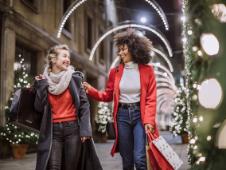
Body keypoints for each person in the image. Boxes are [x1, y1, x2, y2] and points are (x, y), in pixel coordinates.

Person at [83, 29, 159, 170]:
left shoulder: (147, 71)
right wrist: (91, 90)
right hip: (122, 116)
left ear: (134, 49)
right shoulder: (115, 72)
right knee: (127, 159)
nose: (120, 53)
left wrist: (149, 120)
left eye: (123, 49)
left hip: (140, 116)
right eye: (119, 49)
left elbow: (151, 98)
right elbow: (107, 95)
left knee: (140, 158)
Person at [34, 44, 93, 170]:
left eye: (69, 57)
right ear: (53, 59)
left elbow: (84, 105)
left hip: (73, 130)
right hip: (53, 131)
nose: (68, 59)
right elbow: (39, 107)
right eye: (64, 56)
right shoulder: (43, 80)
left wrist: (85, 130)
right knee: (54, 167)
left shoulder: (74, 78)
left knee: (70, 167)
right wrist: (41, 85)